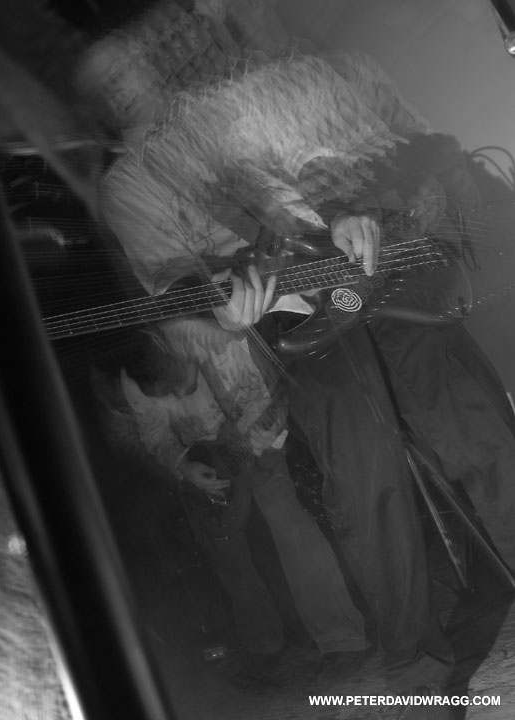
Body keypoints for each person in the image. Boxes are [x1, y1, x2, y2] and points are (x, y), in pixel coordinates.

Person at [96, 25, 515, 715]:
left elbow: (354, 159)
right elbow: (170, 284)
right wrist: (216, 308)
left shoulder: (245, 99)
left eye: (132, 65)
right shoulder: (130, 184)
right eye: (108, 82)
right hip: (302, 318)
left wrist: (359, 209)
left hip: (379, 275)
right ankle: (416, 675)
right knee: (366, 482)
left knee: (477, 432)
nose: (127, 82)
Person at [109, 318, 369, 678]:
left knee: (288, 524)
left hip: (254, 434)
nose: (177, 396)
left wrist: (257, 441)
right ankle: (264, 648)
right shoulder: (134, 376)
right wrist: (184, 466)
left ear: (179, 351)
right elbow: (155, 434)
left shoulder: (221, 339)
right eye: (165, 394)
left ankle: (342, 638)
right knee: (226, 554)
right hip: (201, 458)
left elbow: (274, 397)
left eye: (177, 384)